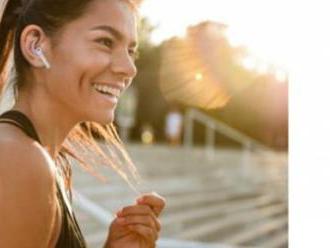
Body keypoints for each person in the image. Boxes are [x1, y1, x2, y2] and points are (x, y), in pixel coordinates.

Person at [0, 0, 166, 247]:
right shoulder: (18, 159)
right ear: (35, 45)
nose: (129, 68)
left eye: (131, 51)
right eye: (105, 42)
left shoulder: (43, 159)